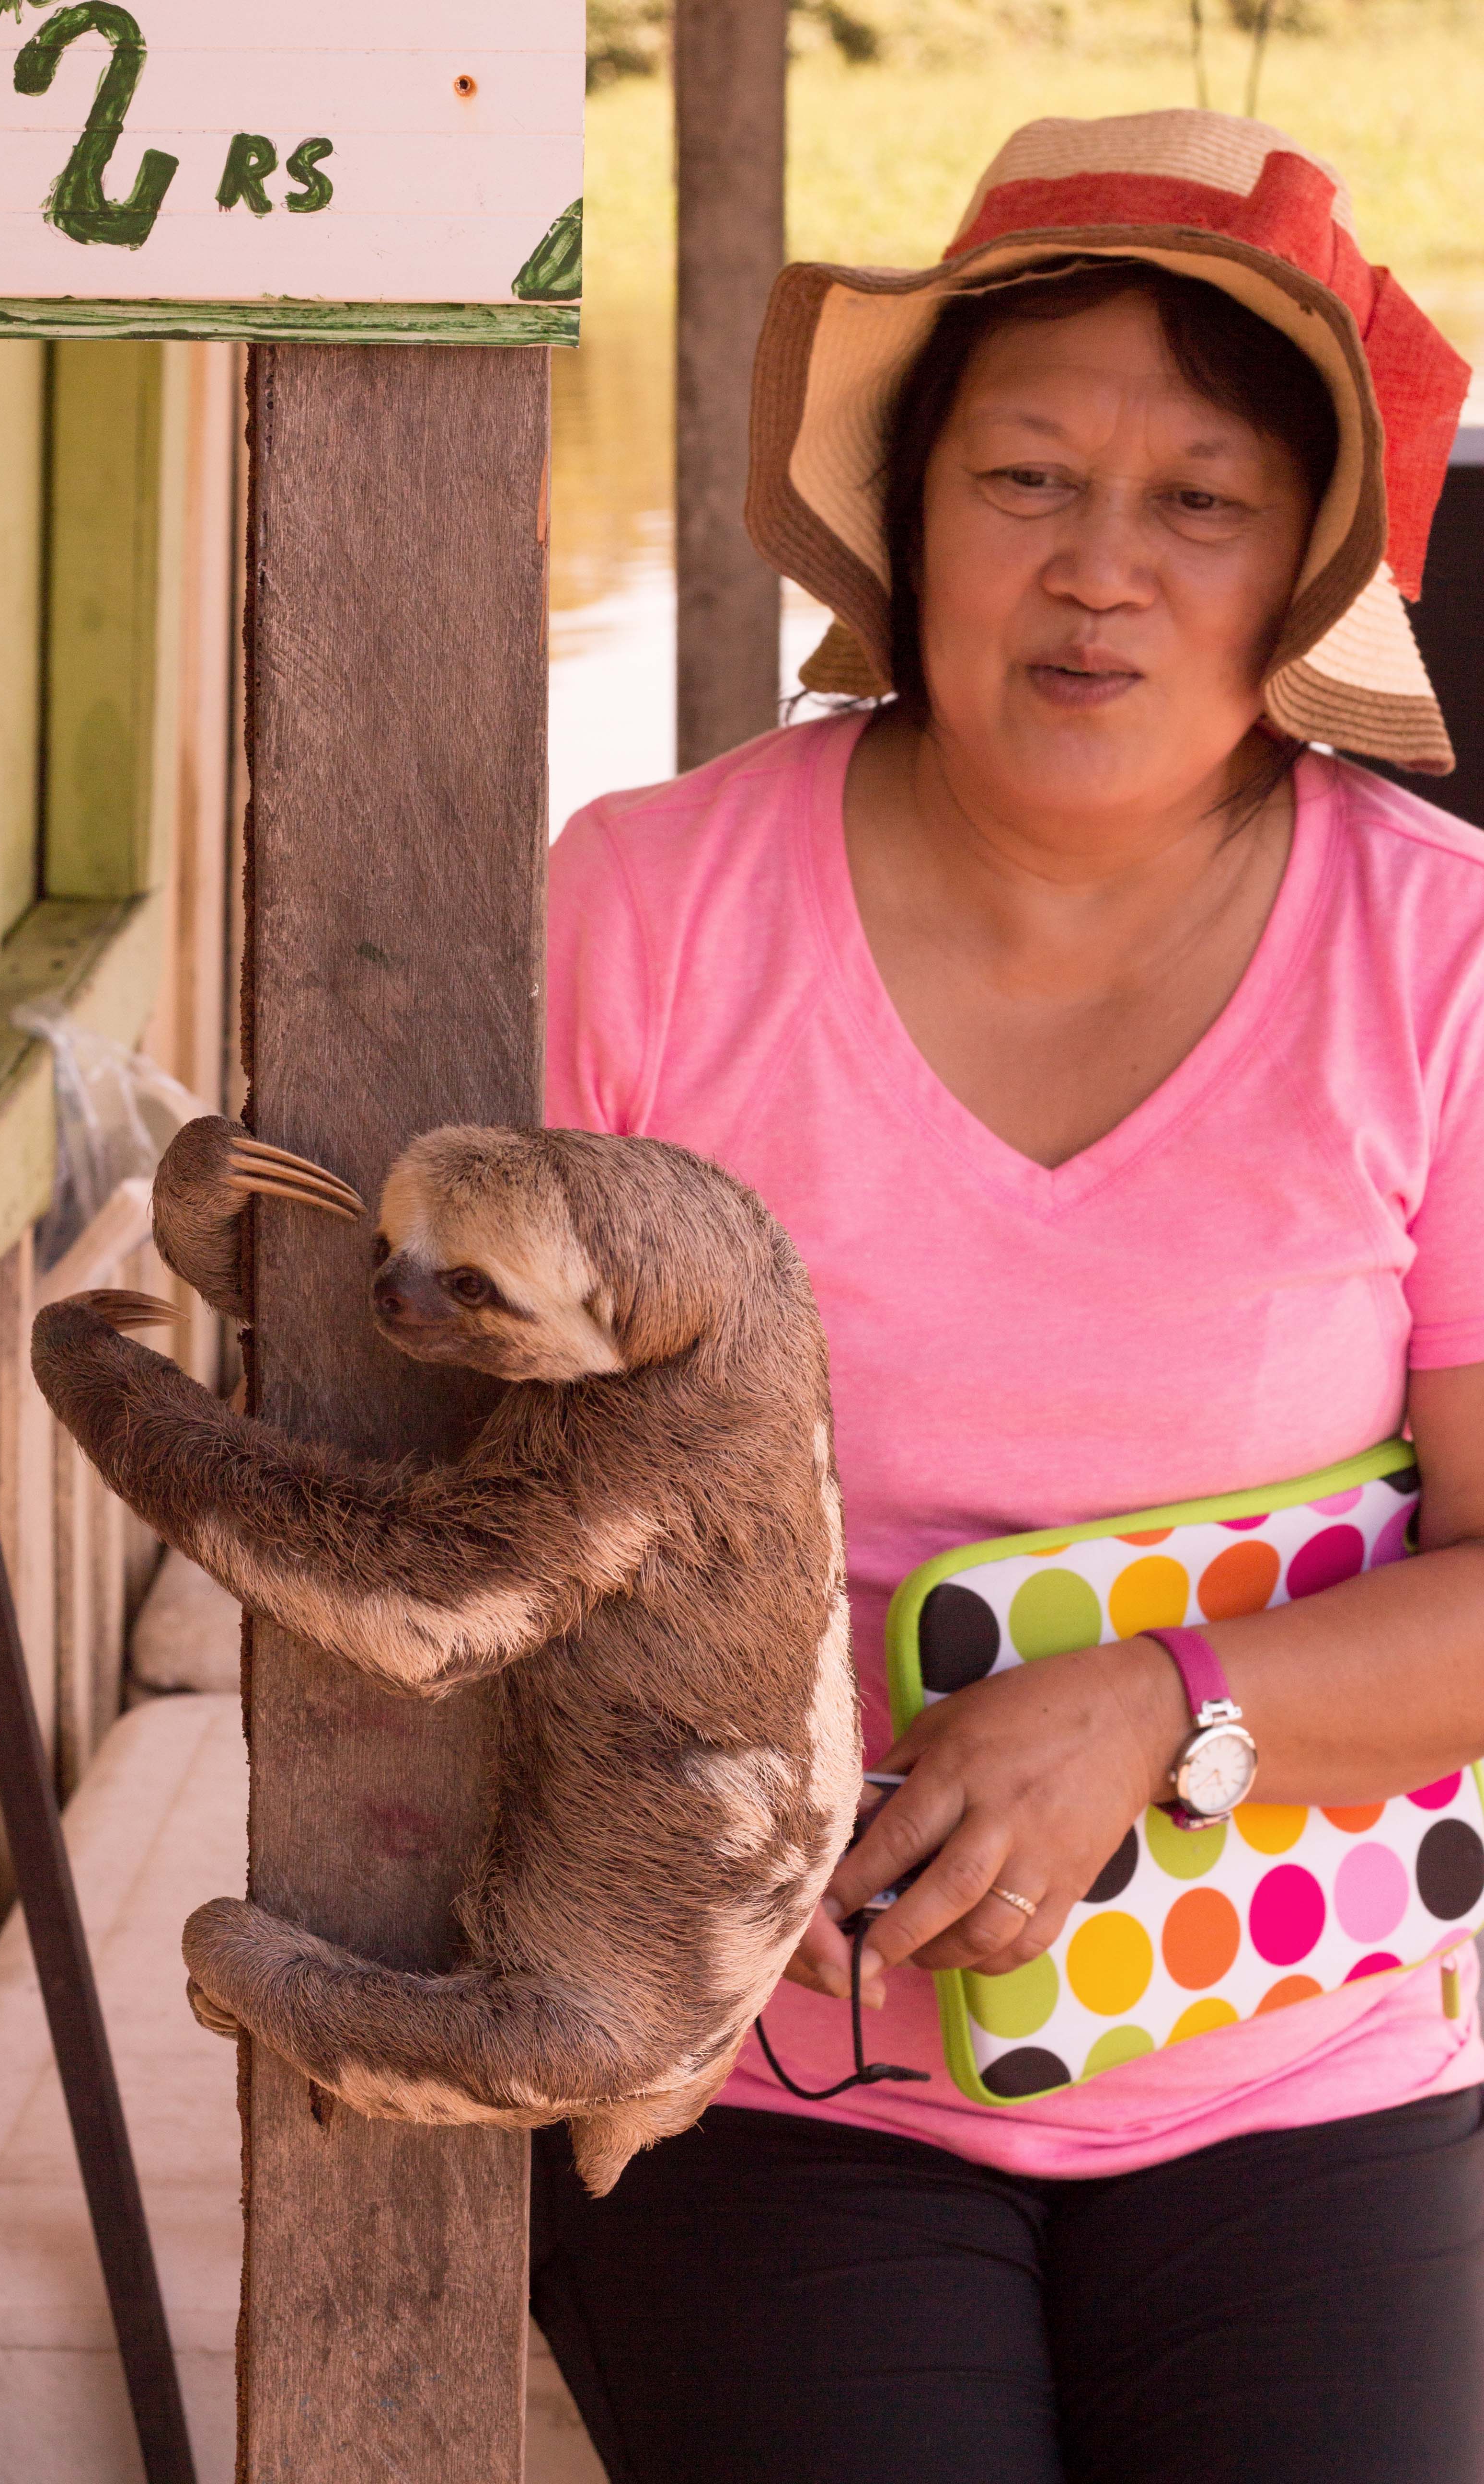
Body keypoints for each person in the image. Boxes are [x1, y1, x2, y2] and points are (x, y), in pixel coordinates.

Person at [533, 110, 1484, 2484]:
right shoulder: (653, 907)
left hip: (1303, 2044)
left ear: (1304, 574)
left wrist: (1159, 1708)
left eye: (1200, 502)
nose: (1099, 577)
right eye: (1029, 478)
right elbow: (482, 1488)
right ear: (913, 514)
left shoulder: (1442, 955)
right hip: (760, 2054)